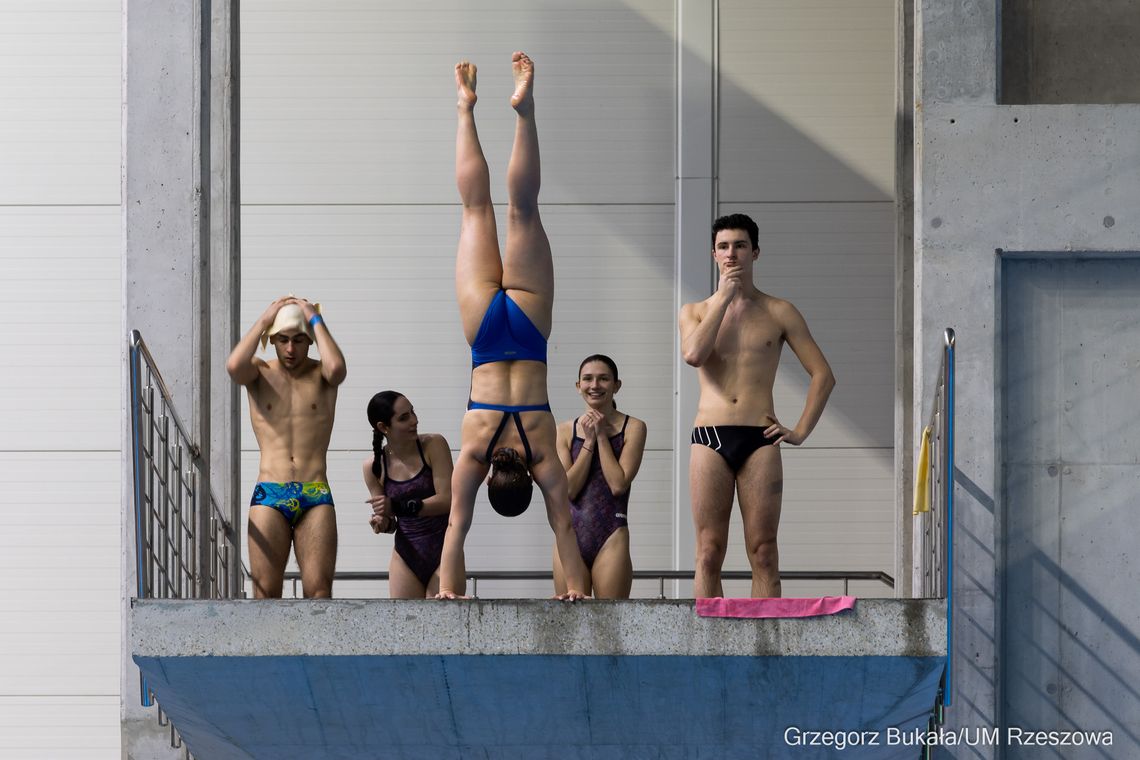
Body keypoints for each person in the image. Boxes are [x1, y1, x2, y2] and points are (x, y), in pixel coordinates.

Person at [435, 52, 590, 600]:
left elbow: (563, 527)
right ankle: (465, 108)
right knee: (476, 210)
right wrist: (450, 591)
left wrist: (577, 589)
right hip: (484, 334)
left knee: (523, 209)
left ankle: (524, 114)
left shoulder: (545, 454)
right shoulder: (475, 453)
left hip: (528, 334)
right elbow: (457, 528)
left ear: (526, 479)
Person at [679, 213, 835, 599]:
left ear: (756, 252)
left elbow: (823, 375)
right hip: (710, 436)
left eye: (740, 245)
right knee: (709, 552)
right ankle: (711, 647)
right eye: (724, 247)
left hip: (759, 438)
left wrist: (799, 431)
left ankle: (762, 652)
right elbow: (694, 355)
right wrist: (726, 297)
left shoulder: (779, 311)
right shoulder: (694, 311)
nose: (732, 254)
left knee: (763, 551)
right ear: (714, 255)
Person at [226, 296, 347, 598]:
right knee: (265, 592)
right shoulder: (259, 372)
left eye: (299, 340)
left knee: (319, 592)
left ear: (310, 341)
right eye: (283, 340)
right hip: (271, 492)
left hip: (315, 492)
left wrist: (314, 317)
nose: (291, 349)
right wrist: (265, 320)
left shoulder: (322, 376)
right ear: (272, 340)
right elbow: (233, 366)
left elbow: (338, 368)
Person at [554, 355, 647, 599]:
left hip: (612, 534)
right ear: (578, 386)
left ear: (616, 385)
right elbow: (569, 490)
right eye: (588, 379)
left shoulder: (633, 427)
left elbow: (618, 484)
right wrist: (589, 441)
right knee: (568, 627)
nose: (595, 385)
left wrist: (602, 436)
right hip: (570, 536)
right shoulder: (564, 431)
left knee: (611, 624)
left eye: (604, 379)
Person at [362, 391, 455, 599]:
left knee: (442, 625)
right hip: (406, 555)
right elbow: (391, 521)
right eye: (404, 418)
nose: (414, 420)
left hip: (444, 550)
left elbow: (448, 500)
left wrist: (397, 506)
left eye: (413, 412)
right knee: (405, 628)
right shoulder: (374, 467)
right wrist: (382, 522)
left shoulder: (434, 445)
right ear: (383, 427)